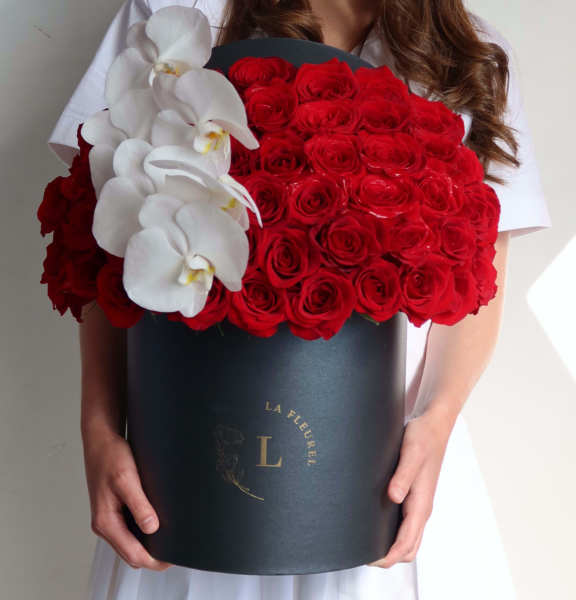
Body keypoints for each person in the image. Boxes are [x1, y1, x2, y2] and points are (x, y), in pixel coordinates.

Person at [47, 1, 553, 599]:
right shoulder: (180, 10)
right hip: (190, 470)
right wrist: (100, 429)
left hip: (386, 471)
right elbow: (106, 241)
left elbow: (478, 279)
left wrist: (437, 422)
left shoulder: (469, 54)